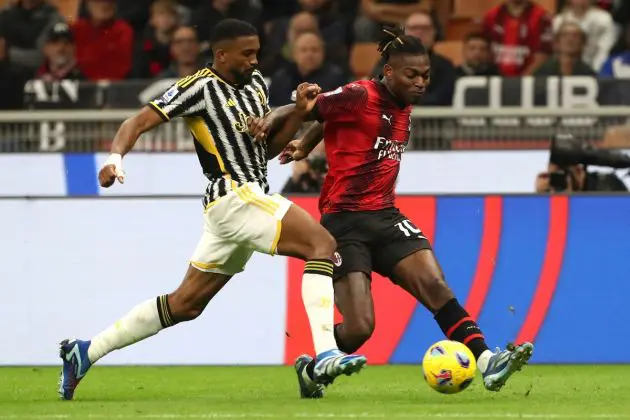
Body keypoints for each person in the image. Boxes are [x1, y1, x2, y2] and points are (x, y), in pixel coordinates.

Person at [57, 19, 366, 401]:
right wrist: (115, 156)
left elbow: (263, 151)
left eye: (257, 52)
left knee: (185, 304)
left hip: (245, 199)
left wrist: (299, 115)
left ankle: (84, 352)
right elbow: (138, 120)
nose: (255, 60)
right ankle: (323, 355)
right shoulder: (198, 86)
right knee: (321, 243)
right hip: (233, 196)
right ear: (221, 54)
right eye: (246, 54)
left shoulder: (255, 86)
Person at [278, 26, 534, 398]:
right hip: (343, 222)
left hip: (385, 215)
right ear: (388, 72)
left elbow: (324, 120)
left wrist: (306, 143)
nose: (420, 82)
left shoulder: (402, 104)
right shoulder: (358, 94)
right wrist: (290, 134)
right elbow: (314, 109)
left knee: (435, 285)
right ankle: (314, 366)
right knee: (360, 328)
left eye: (426, 75)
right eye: (411, 75)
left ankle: (486, 362)